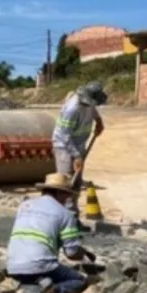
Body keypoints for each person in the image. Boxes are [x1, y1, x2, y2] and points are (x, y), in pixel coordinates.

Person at [7, 173, 96, 293]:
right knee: (78, 280)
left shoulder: (24, 206)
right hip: (40, 265)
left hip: (13, 266)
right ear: (59, 193)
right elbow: (71, 253)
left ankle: (34, 284)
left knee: (35, 273)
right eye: (66, 194)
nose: (67, 199)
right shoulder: (65, 214)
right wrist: (83, 252)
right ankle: (54, 291)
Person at [52, 80, 107, 213]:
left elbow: (93, 111)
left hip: (78, 144)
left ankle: (73, 214)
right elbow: (65, 136)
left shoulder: (88, 102)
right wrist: (76, 156)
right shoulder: (72, 109)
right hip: (64, 147)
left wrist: (99, 121)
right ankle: (64, 216)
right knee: (66, 182)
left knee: (76, 182)